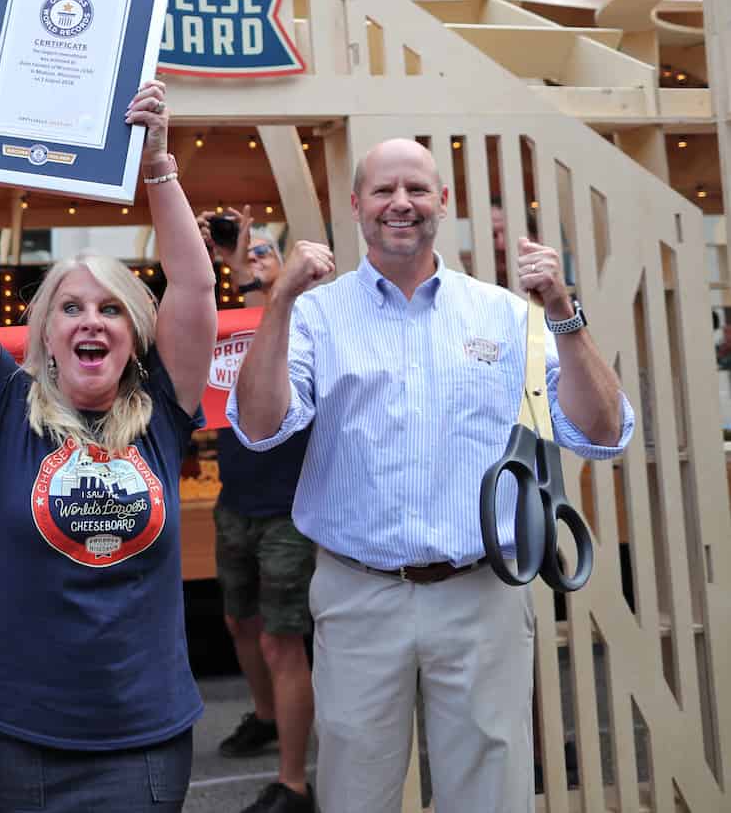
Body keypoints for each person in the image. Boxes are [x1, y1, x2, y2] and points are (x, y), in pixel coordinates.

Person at [231, 138, 634, 813]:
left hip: (481, 596)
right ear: (356, 206)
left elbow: (601, 432)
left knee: (491, 797)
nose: (401, 203)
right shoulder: (316, 315)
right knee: (355, 795)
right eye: (384, 190)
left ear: (442, 203)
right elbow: (261, 424)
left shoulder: (504, 314)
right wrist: (278, 302)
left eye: (417, 189)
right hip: (358, 594)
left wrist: (562, 308)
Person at [0, 74, 217, 812]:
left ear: (134, 333)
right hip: (16, 732)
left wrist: (158, 165)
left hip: (141, 732)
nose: (92, 321)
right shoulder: (9, 406)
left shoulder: (164, 412)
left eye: (112, 308)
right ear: (46, 334)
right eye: (72, 307)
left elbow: (195, 288)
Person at [195, 207, 315, 813]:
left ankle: (293, 781)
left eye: (268, 251)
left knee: (280, 641)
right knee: (239, 623)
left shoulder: (305, 317)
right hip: (235, 498)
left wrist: (256, 278)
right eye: (250, 251)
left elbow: (275, 327)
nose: (256, 258)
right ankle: (268, 717)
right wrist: (220, 256)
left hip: (291, 506)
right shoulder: (236, 319)